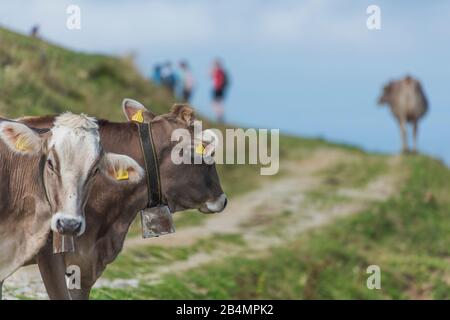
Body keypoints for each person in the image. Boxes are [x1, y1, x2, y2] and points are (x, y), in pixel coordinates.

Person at [210, 59, 229, 123]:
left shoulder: (218, 71)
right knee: (218, 103)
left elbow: (210, 75)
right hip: (220, 89)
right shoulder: (221, 71)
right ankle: (220, 116)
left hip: (218, 89)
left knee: (216, 103)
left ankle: (219, 117)